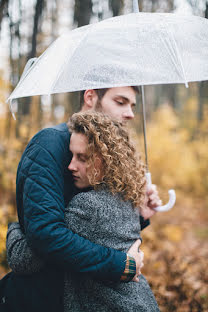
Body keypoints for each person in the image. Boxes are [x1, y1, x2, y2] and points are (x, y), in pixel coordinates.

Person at [0, 86, 161, 312]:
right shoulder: (49, 145)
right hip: (47, 295)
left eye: (132, 106)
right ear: (90, 96)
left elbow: (95, 228)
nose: (130, 114)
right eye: (120, 101)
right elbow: (46, 234)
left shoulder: (105, 180)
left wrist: (139, 215)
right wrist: (121, 264)